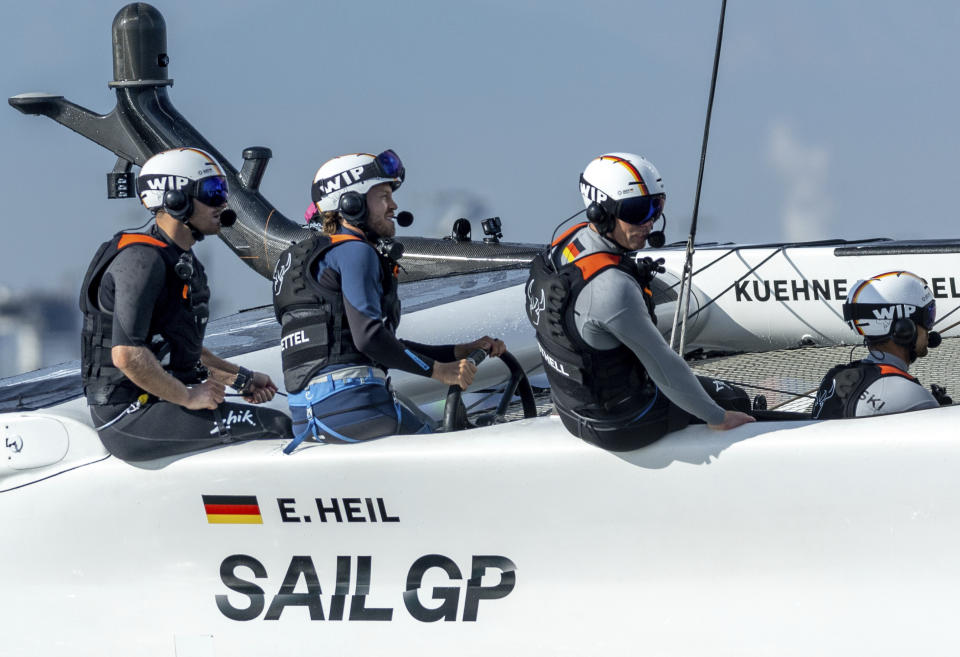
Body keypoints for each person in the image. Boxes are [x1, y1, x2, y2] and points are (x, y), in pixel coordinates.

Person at [273, 149, 505, 449]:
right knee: (449, 449)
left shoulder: (309, 258)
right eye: (383, 196)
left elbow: (371, 345)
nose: (393, 206)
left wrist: (459, 351)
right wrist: (440, 372)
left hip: (309, 421)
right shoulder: (356, 251)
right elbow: (370, 340)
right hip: (356, 408)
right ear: (350, 203)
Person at [524, 152, 755, 451]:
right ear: (600, 213)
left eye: (656, 206)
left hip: (572, 409)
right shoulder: (611, 288)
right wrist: (717, 416)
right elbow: (662, 364)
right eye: (637, 210)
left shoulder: (563, 247)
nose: (650, 221)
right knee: (733, 398)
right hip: (620, 425)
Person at [80, 147, 292, 461]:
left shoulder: (176, 259)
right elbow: (127, 355)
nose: (222, 202)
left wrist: (242, 379)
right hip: (127, 416)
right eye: (212, 191)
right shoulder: (142, 260)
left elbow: (179, 350)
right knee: (275, 425)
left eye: (222, 191)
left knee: (281, 412)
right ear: (175, 200)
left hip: (157, 400)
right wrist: (189, 396)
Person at [811, 271, 948, 419]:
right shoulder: (916, 398)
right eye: (928, 317)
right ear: (904, 329)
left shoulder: (834, 377)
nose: (930, 329)